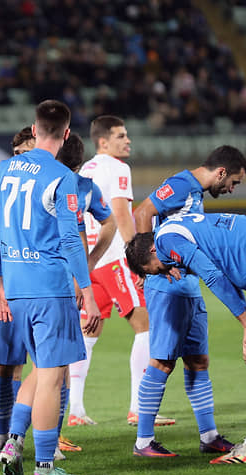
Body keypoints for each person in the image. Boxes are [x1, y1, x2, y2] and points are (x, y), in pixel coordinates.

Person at [126, 212, 246, 464]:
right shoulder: (176, 225)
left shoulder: (167, 239)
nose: (168, 270)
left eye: (160, 268)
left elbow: (213, 275)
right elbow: (220, 268)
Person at [0, 99, 102, 475]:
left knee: (38, 372)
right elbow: (70, 238)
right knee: (53, 377)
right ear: (66, 134)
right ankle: (46, 469)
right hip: (50, 290)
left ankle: (14, 443)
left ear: (34, 130)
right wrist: (88, 290)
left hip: (15, 290)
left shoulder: (2, 170)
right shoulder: (62, 177)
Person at [130, 146, 246, 457]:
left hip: (189, 287)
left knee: (198, 361)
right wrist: (150, 260)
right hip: (167, 286)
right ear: (221, 172)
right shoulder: (181, 185)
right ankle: (143, 442)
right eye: (233, 182)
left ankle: (209, 436)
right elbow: (142, 213)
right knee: (162, 361)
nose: (232, 189)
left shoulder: (195, 193)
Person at [78, 115, 175, 426]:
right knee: (145, 326)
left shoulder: (86, 168)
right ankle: (139, 407)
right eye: (121, 136)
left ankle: (76, 411)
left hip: (90, 257)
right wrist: (139, 258)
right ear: (103, 141)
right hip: (115, 257)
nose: (128, 140)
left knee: (89, 334)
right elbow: (121, 215)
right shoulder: (118, 168)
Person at [0, 126, 35, 462]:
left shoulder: (55, 178)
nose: (18, 161)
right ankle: (4, 437)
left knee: (49, 368)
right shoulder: (3, 182)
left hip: (44, 289)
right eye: (14, 155)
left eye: (24, 153)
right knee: (4, 366)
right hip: (10, 290)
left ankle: (45, 438)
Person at [58, 133, 117, 426]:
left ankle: (51, 434)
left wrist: (86, 269)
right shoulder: (76, 188)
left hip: (62, 282)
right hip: (48, 283)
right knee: (47, 362)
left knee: (58, 358)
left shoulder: (83, 188)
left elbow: (104, 224)